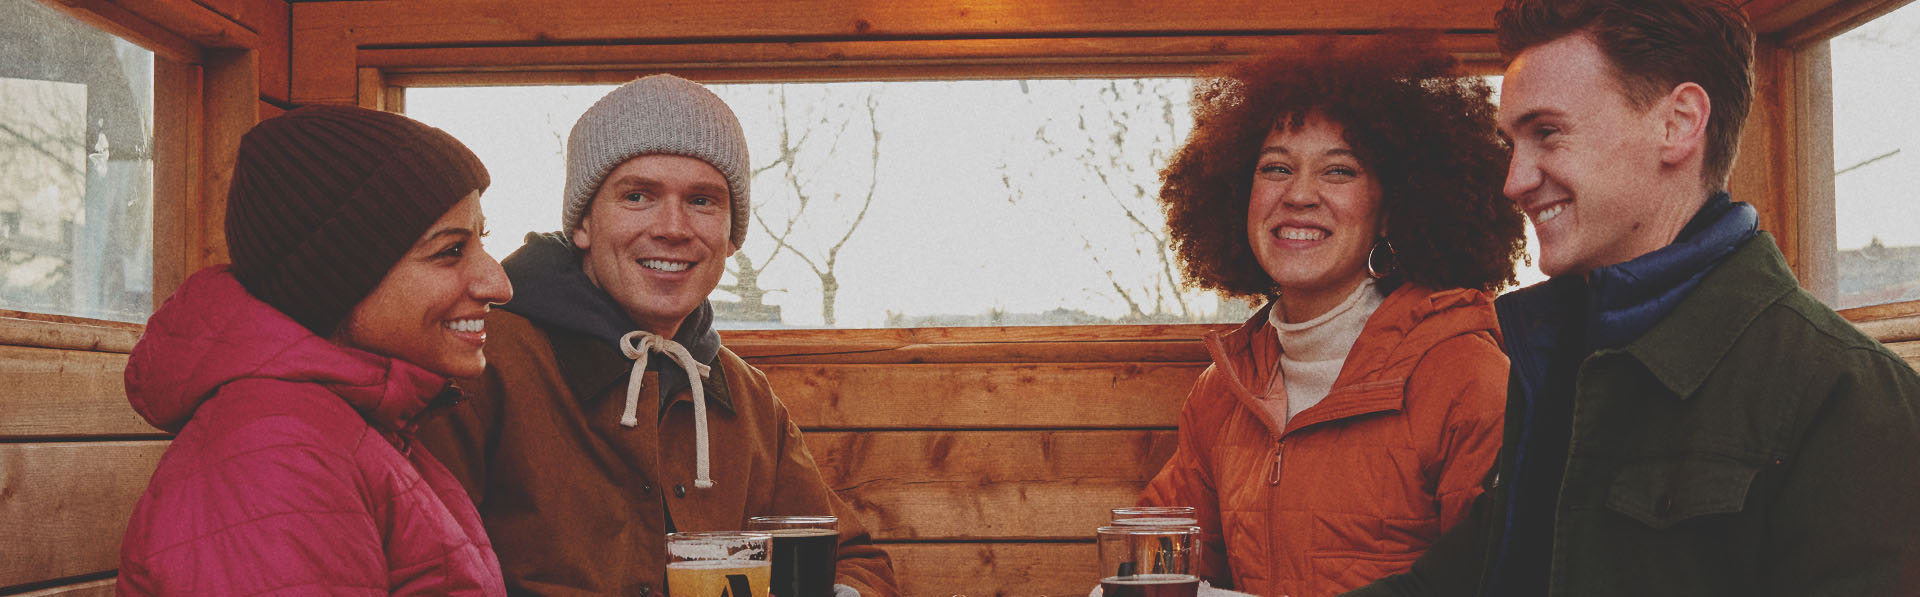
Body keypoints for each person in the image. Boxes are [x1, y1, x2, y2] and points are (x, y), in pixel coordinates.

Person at [1344, 1, 1920, 595]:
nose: (1514, 180)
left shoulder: (1849, 397)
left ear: (1678, 122)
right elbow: (1466, 579)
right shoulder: (1557, 356)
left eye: (1547, 133)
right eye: (1511, 143)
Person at [414, 74, 899, 596]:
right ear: (582, 225)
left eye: (703, 201)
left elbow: (853, 559)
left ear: (731, 237)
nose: (673, 227)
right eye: (639, 196)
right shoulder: (479, 362)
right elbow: (424, 571)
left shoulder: (747, 397)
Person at [1134, 38, 1529, 596]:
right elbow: (1159, 555)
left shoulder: (1464, 376)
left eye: (1339, 171)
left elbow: (1503, 578)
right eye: (1275, 168)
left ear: (1392, 209)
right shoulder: (1222, 391)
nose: (1299, 194)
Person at [118, 105, 512, 595]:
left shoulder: (353, 428)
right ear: (338, 281)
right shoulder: (274, 455)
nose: (499, 284)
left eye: (483, 239)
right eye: (451, 250)